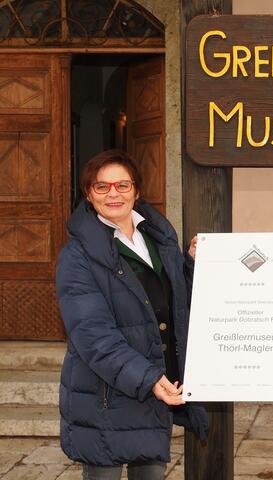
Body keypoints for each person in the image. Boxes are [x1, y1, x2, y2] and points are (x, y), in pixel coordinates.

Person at [56, 150, 207, 480]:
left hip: (154, 388)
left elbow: (177, 304)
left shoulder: (157, 238)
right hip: (106, 396)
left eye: (122, 185)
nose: (113, 194)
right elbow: (93, 336)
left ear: (137, 191)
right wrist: (149, 379)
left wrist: (194, 265)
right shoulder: (77, 256)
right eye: (102, 186)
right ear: (88, 193)